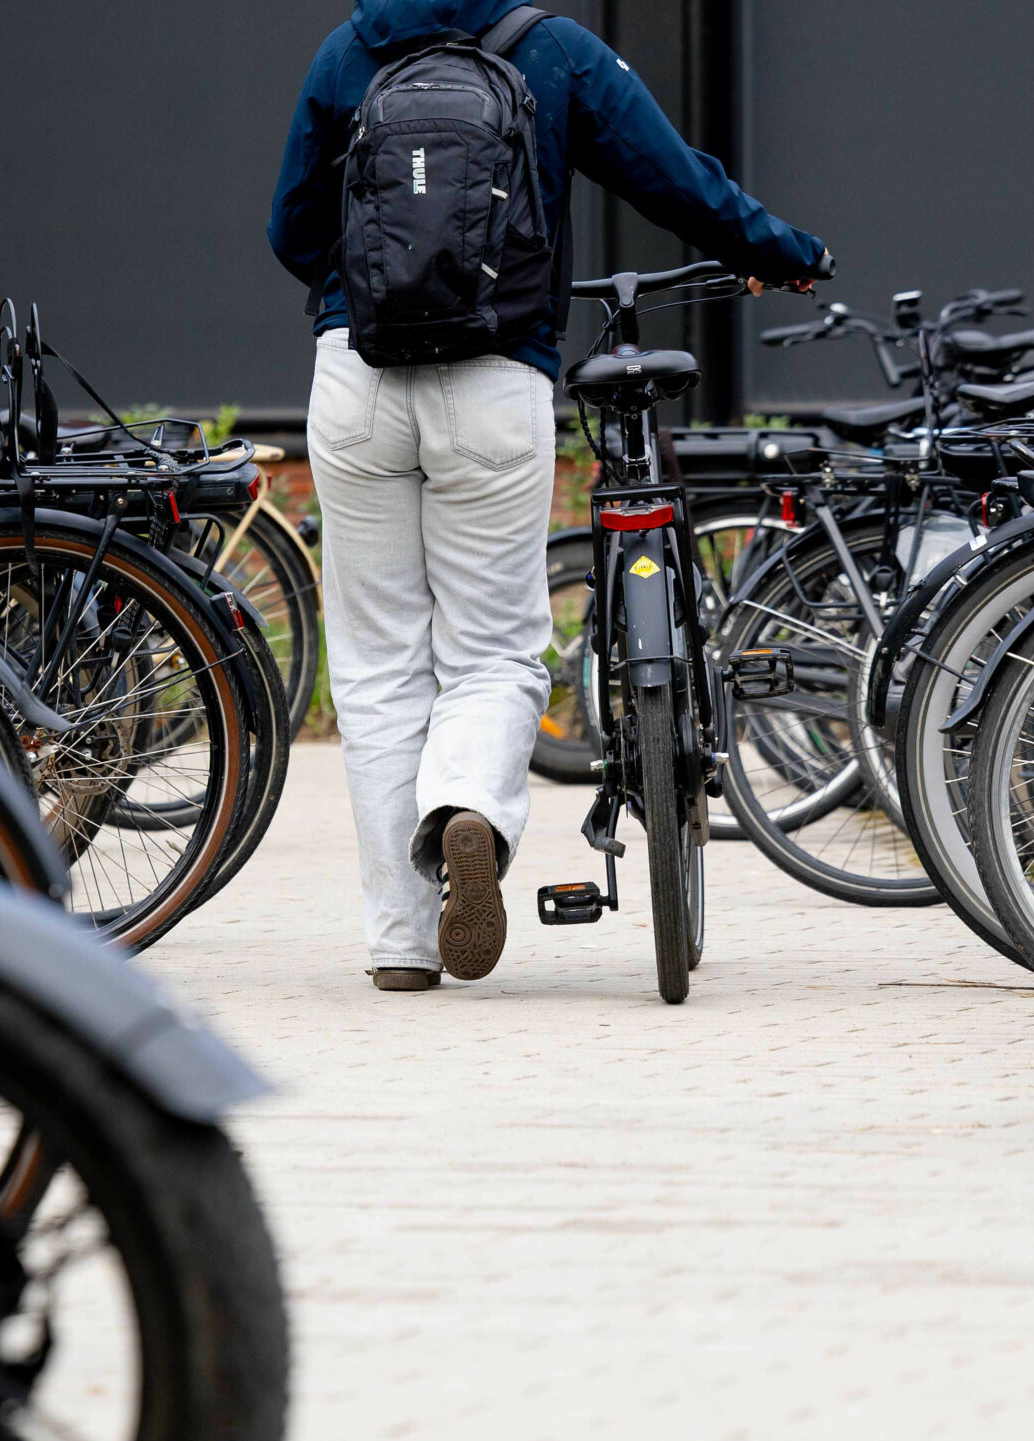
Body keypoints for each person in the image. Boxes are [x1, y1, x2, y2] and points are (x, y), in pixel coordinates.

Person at [269, 0, 827, 991]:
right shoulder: (555, 50)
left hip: (354, 376)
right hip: (496, 374)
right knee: (493, 647)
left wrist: (377, 288)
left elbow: (291, 229)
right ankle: (468, 805)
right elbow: (674, 181)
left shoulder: (347, 49)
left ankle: (400, 944)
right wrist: (779, 249)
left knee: (378, 660)